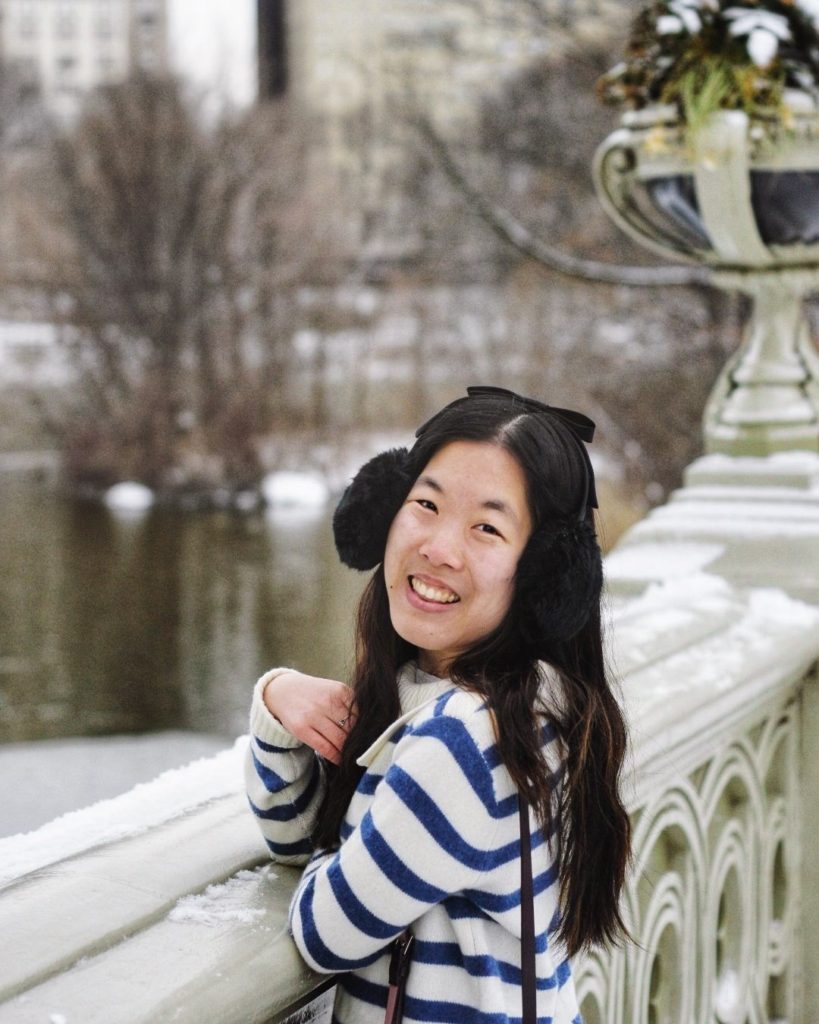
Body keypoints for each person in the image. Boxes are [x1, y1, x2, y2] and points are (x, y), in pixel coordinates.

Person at [245, 386, 631, 1024]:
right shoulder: (520, 711)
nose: (440, 548)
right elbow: (303, 840)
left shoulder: (467, 743)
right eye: (425, 505)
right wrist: (277, 703)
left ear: (547, 577)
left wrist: (345, 854)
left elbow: (325, 932)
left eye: (486, 527)